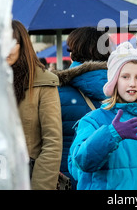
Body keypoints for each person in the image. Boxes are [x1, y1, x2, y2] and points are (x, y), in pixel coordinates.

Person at [68, 42, 137, 190]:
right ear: (114, 81)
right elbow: (81, 161)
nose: (132, 83)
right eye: (125, 77)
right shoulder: (93, 120)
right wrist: (111, 134)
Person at [7, 20, 62, 190]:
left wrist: (40, 186)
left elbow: (52, 142)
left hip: (26, 177)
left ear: (22, 45)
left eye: (11, 42)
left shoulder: (42, 82)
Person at [52, 27, 110, 189]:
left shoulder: (55, 92)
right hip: (110, 178)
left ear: (72, 53)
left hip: (67, 178)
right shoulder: (125, 88)